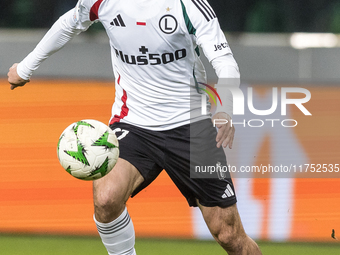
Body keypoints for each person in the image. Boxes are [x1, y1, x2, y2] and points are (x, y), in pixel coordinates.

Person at [8, 0, 262, 254]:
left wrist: (225, 109)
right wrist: (25, 68)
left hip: (191, 125)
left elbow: (225, 62)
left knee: (229, 235)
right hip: (133, 124)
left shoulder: (188, 5)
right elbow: (69, 23)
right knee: (106, 198)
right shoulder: (101, 2)